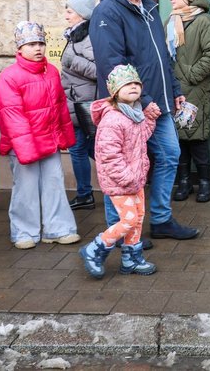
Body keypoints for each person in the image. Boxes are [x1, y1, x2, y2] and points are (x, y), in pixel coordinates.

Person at [90, 0, 200, 241]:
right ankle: (122, 230)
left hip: (159, 105)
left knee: (169, 155)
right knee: (123, 168)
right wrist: (146, 100)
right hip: (128, 109)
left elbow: (162, 56)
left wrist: (175, 89)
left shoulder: (149, 8)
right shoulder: (108, 12)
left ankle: (161, 219)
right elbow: (113, 65)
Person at [0, 21, 79, 249]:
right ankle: (24, 232)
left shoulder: (51, 71)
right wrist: (26, 149)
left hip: (49, 140)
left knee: (54, 184)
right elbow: (13, 116)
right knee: (26, 188)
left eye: (41, 43)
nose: (38, 48)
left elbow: (60, 106)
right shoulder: (9, 76)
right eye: (31, 44)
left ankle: (58, 228)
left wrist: (64, 136)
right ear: (20, 48)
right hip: (24, 145)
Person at [80, 64, 159, 279]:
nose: (133, 87)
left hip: (135, 179)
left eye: (136, 83)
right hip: (120, 181)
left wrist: (150, 118)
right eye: (127, 84)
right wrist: (126, 176)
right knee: (128, 220)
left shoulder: (133, 114)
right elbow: (108, 154)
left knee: (138, 218)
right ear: (115, 91)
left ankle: (131, 259)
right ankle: (95, 249)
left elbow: (142, 137)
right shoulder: (113, 119)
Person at [167, 0, 210, 203]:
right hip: (174, 90)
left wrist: (191, 75)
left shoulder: (203, 21)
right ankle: (184, 182)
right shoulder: (171, 21)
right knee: (178, 139)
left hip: (196, 89)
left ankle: (204, 183)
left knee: (196, 138)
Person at [60, 0, 98, 211]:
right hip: (75, 103)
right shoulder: (76, 35)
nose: (66, 15)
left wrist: (72, 61)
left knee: (91, 149)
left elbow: (99, 71)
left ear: (82, 14)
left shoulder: (89, 37)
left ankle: (120, 183)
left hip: (85, 105)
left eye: (69, 11)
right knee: (78, 148)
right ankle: (85, 194)